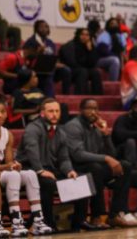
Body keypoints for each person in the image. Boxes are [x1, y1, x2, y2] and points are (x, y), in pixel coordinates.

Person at [63, 98, 137, 227]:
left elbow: (112, 154)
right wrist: (106, 159)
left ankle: (114, 214)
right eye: (89, 108)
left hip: (95, 166)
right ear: (81, 110)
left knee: (124, 166)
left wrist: (106, 135)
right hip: (76, 167)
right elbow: (78, 155)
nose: (93, 112)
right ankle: (96, 217)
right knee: (96, 168)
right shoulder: (73, 126)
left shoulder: (96, 128)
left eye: (96, 109)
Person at [0, 96, 52, 236]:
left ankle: (38, 220)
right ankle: (16, 221)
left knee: (30, 174)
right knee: (13, 175)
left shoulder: (8, 134)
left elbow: (9, 162)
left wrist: (14, 165)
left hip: (1, 174)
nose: (0, 115)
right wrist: (6, 167)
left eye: (3, 112)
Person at [15, 99, 82, 231]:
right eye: (51, 111)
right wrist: (39, 170)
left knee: (80, 181)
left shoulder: (61, 132)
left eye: (57, 111)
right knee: (48, 183)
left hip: (49, 169)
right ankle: (48, 223)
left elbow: (64, 158)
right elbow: (31, 150)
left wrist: (69, 171)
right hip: (29, 169)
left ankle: (76, 225)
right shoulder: (33, 128)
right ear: (42, 113)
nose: (54, 114)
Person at [28, 20, 71, 96]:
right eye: (42, 27)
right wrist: (38, 52)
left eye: (46, 27)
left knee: (66, 70)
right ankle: (50, 97)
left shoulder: (50, 42)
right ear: (36, 29)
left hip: (50, 66)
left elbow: (53, 56)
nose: (45, 29)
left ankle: (66, 95)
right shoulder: (31, 41)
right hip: (36, 68)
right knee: (49, 72)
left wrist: (56, 63)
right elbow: (27, 57)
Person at [58, 28, 103, 95]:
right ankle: (80, 95)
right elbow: (71, 62)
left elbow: (93, 63)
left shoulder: (90, 46)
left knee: (96, 72)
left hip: (83, 69)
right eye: (82, 34)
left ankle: (97, 96)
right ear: (78, 35)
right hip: (70, 70)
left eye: (87, 35)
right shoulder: (70, 45)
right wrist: (85, 66)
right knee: (83, 71)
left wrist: (90, 51)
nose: (84, 37)